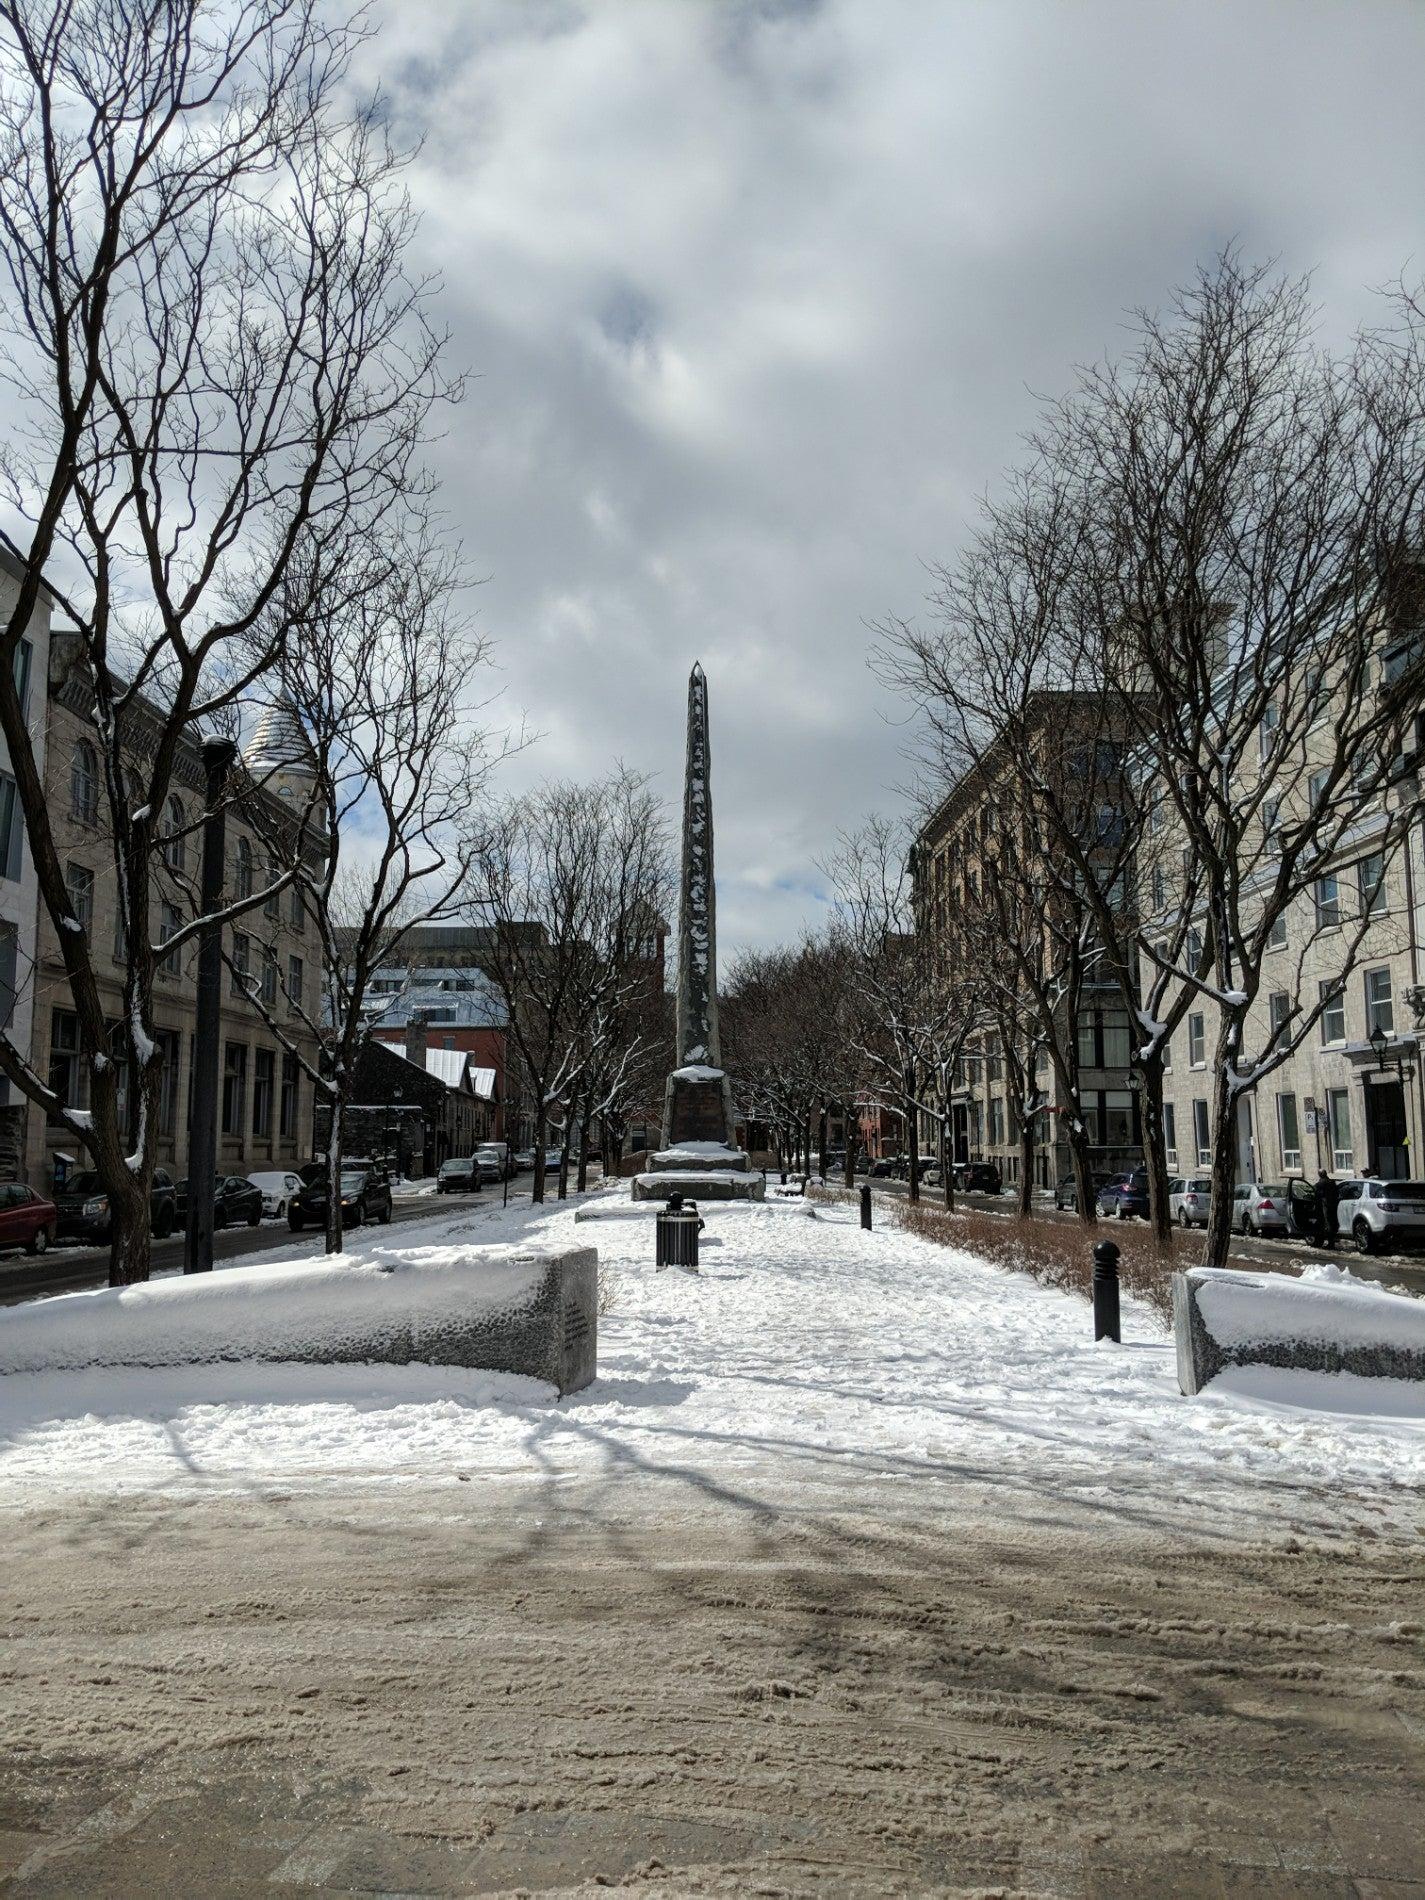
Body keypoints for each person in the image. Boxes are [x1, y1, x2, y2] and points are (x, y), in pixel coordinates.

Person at [1313, 1168, 1339, 1250]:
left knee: (1327, 1224)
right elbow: (1336, 1192)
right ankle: (1332, 1242)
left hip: (1325, 1205)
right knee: (1332, 1223)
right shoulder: (1332, 1182)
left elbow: (1315, 1191)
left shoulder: (1321, 1183)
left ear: (1320, 1175)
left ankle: (1330, 1243)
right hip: (1334, 1205)